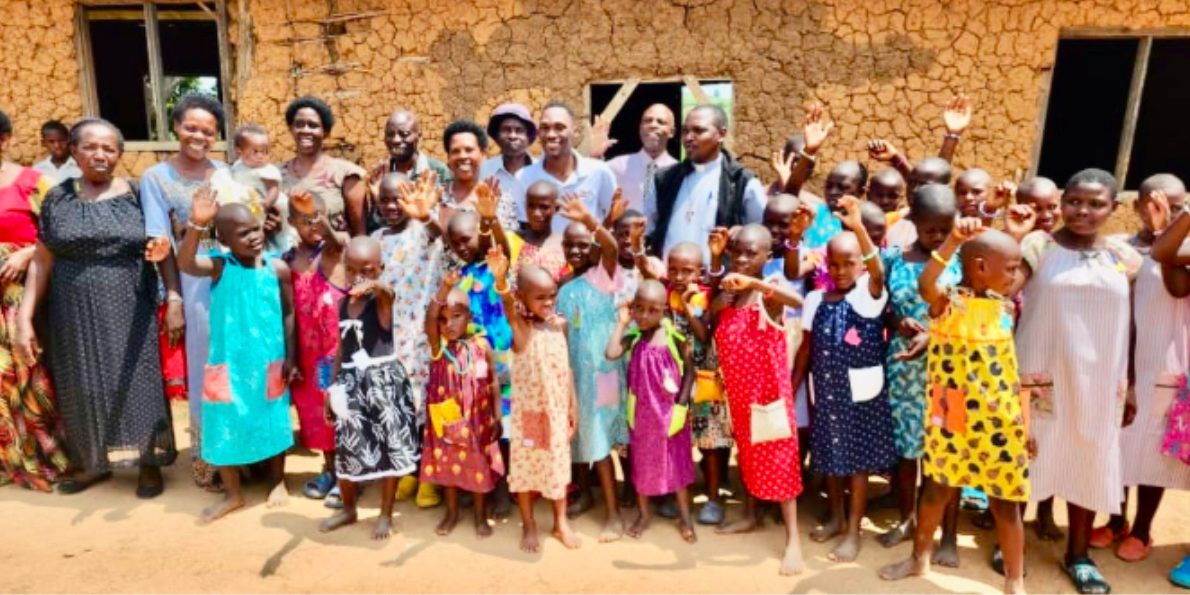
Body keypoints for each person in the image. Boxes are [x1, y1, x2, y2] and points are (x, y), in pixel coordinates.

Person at [18, 118, 181, 496]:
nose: (100, 155)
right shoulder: (58, 197)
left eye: (109, 148)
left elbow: (163, 250)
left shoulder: (138, 193)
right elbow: (42, 260)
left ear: (120, 155)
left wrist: (173, 295)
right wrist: (25, 317)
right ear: (74, 151)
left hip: (131, 302)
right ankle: (94, 463)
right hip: (70, 309)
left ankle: (148, 462)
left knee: (140, 382)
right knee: (81, 384)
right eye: (90, 146)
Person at [879, 224, 1029, 595]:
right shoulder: (949, 301)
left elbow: (1013, 372)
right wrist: (953, 241)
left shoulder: (1004, 305)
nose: (1015, 276)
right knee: (935, 489)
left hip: (999, 415)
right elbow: (926, 284)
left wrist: (1026, 424)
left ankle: (1015, 580)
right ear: (979, 267)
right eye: (1010, 268)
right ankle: (919, 559)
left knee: (1006, 502)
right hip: (952, 407)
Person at [1015, 168, 1141, 594]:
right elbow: (1007, 289)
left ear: (1113, 208)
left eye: (1095, 204)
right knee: (1026, 454)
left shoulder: (1124, 257)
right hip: (1040, 372)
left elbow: (1132, 323)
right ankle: (1010, 545)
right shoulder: (1038, 245)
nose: (1082, 211)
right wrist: (1014, 238)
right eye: (1074, 201)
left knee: (1089, 457)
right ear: (1062, 200)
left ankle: (1079, 555)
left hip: (1101, 381)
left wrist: (1134, 382)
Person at [178, 194, 296, 525]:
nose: (254, 237)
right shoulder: (219, 266)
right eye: (243, 233)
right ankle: (233, 494)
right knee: (222, 423)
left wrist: (291, 356)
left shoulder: (278, 268)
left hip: (268, 362)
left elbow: (289, 314)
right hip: (228, 363)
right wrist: (196, 225)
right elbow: (185, 263)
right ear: (225, 241)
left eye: (256, 229)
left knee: (272, 417)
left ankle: (277, 482)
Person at [792, 196, 896, 563]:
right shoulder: (816, 301)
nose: (840, 271)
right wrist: (792, 390)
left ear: (861, 266)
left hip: (863, 399)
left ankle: (853, 530)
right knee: (831, 461)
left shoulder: (870, 296)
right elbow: (805, 351)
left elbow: (879, 272)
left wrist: (859, 229)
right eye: (833, 264)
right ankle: (836, 516)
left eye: (849, 263)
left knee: (857, 466)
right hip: (828, 398)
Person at [1092, 175, 1190, 562]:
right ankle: (1116, 520)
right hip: (1122, 357)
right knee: (1118, 444)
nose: (1165, 212)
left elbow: (1175, 286)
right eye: (1152, 204)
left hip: (1165, 360)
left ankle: (1144, 529)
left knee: (1149, 448)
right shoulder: (1120, 247)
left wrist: (1167, 231)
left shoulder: (1182, 250)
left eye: (1177, 206)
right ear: (1136, 206)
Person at [136, 93, 227, 490]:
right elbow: (160, 245)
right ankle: (209, 460)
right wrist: (173, 297)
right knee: (205, 367)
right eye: (191, 127)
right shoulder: (156, 179)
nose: (199, 136)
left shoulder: (224, 172)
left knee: (233, 362)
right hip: (192, 282)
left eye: (207, 131)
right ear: (175, 126)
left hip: (229, 275)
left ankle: (241, 453)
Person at [711, 224, 806, 576]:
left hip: (768, 395)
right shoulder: (729, 292)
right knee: (748, 455)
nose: (743, 258)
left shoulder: (770, 293)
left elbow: (797, 302)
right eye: (738, 251)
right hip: (739, 395)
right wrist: (720, 301)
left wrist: (756, 285)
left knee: (781, 461)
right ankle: (751, 516)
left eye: (752, 253)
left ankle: (793, 539)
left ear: (769, 256)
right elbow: (711, 323)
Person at [319, 237, 420, 540]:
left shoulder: (382, 302)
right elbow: (341, 350)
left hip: (383, 384)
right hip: (351, 383)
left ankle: (385, 514)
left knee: (389, 449)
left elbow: (388, 292)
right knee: (347, 448)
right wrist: (331, 388)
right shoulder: (341, 304)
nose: (358, 276)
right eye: (351, 270)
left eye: (367, 270)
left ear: (381, 269)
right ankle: (349, 509)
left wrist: (377, 286)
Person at [877, 184, 962, 547]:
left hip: (949, 370)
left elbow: (968, 308)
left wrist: (934, 334)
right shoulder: (895, 258)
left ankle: (949, 535)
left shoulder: (962, 258)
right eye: (931, 229)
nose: (939, 237)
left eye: (946, 229)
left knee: (946, 449)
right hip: (904, 370)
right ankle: (909, 519)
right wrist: (897, 323)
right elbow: (882, 306)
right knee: (908, 450)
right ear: (914, 222)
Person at [486, 247, 582, 554]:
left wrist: (572, 404)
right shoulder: (521, 328)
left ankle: (560, 521)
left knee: (557, 467)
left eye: (551, 295)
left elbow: (566, 367)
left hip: (556, 412)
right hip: (528, 414)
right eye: (540, 297)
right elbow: (506, 302)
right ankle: (528, 524)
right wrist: (500, 278)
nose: (548, 302)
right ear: (523, 298)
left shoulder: (560, 325)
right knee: (526, 469)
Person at [2, 113, 74, 491]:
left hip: (24, 293)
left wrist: (28, 252)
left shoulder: (33, 182)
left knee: (29, 373)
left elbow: (62, 231)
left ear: (6, 140)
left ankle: (47, 455)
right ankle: (10, 457)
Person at [554, 197, 627, 541]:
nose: (575, 251)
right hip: (576, 376)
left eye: (583, 245)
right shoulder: (564, 288)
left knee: (600, 438)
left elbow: (612, 246)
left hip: (604, 374)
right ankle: (584, 494)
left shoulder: (605, 276)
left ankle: (613, 515)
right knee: (579, 436)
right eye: (569, 245)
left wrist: (591, 220)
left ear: (595, 249)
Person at [371, 172, 445, 503]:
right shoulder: (377, 239)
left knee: (430, 406)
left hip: (424, 335)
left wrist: (425, 215)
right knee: (401, 406)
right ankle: (410, 470)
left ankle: (431, 474)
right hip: (392, 337)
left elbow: (440, 235)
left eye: (398, 198)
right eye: (384, 199)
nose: (392, 205)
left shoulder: (424, 231)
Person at [605, 279, 697, 543]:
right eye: (638, 308)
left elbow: (690, 371)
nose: (644, 315)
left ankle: (685, 517)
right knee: (642, 467)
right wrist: (623, 322)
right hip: (643, 418)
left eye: (652, 310)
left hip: (671, 416)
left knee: (676, 467)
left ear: (664, 310)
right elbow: (611, 353)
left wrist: (681, 407)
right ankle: (644, 515)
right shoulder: (634, 337)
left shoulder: (675, 337)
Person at [422, 269, 502, 538]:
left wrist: (498, 417)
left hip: (477, 422)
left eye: (456, 316)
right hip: (446, 422)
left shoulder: (481, 346)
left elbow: (492, 383)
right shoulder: (438, 348)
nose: (449, 324)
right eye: (444, 320)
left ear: (469, 317)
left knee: (478, 466)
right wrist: (444, 289)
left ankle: (480, 516)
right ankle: (452, 513)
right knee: (448, 468)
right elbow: (430, 317)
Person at [283, 192, 348, 504]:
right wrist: (292, 357)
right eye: (304, 219)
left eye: (317, 217)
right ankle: (330, 470)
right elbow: (290, 312)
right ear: (291, 223)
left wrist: (321, 220)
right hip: (308, 357)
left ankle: (349, 476)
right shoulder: (289, 259)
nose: (312, 225)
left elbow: (337, 241)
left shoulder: (334, 251)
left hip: (337, 353)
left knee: (341, 411)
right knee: (316, 416)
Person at [650, 104, 768, 262]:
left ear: (721, 134)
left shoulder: (742, 182)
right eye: (685, 131)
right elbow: (649, 229)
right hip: (670, 281)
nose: (688, 138)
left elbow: (763, 233)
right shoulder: (664, 179)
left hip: (718, 282)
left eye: (699, 131)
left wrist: (741, 232)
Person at [673, 239, 732, 526]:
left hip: (704, 379)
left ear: (699, 272)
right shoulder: (665, 296)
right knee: (677, 438)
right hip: (673, 380)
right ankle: (678, 494)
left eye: (686, 271)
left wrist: (686, 309)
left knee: (709, 442)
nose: (680, 276)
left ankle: (713, 498)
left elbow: (705, 335)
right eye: (674, 270)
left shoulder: (705, 297)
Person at [520, 102, 618, 235]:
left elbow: (613, 219)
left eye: (559, 127)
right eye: (545, 127)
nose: (551, 134)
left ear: (576, 132)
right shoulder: (524, 177)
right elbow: (523, 229)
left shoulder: (599, 172)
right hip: (543, 255)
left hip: (588, 254)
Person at [280, 96, 368, 236]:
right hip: (287, 256)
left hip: (336, 255)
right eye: (299, 124)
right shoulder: (275, 175)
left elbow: (360, 233)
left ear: (326, 132)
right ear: (291, 128)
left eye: (313, 125)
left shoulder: (346, 174)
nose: (305, 130)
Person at [366, 110, 450, 232]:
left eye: (404, 134)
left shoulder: (437, 171)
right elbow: (372, 228)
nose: (395, 140)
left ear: (419, 137)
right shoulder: (381, 176)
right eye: (390, 134)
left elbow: (448, 221)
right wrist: (379, 201)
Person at [440, 119, 517, 232]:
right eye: (455, 151)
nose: (462, 156)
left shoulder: (500, 200)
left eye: (469, 150)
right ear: (448, 157)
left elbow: (510, 245)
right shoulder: (436, 197)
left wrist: (491, 219)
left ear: (483, 155)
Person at [218, 124, 285, 251]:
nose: (261, 156)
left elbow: (273, 189)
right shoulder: (237, 167)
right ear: (239, 152)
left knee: (276, 238)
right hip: (249, 205)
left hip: (267, 204)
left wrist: (266, 204)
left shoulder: (267, 170)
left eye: (264, 151)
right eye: (255, 151)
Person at [604, 104, 678, 216]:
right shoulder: (616, 167)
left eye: (661, 122)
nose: (653, 125)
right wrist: (595, 155)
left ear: (671, 132)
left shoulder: (679, 172)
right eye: (648, 121)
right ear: (640, 129)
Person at [479, 102, 537, 224]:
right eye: (506, 130)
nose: (512, 136)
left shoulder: (541, 170)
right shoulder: (483, 171)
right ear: (496, 136)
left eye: (519, 130)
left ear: (528, 136)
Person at [512, 181, 569, 281]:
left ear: (556, 208)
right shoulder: (513, 239)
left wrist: (587, 220)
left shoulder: (566, 245)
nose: (536, 213)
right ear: (525, 206)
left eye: (544, 207)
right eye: (531, 206)